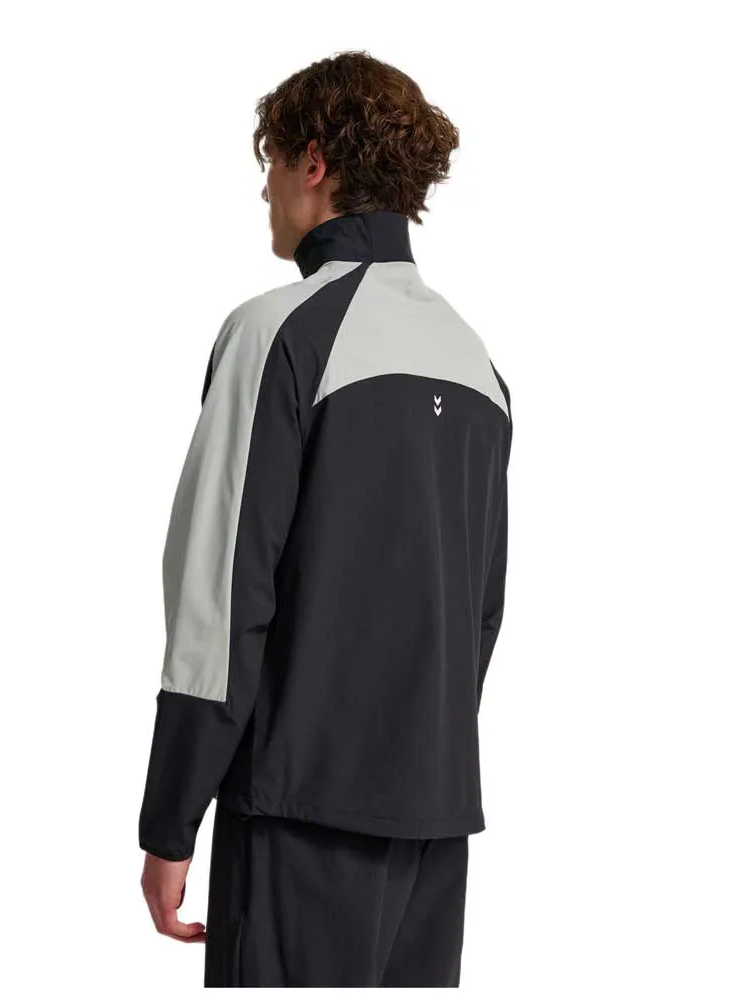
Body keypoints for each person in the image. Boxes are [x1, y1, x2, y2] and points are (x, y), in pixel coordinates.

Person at [138, 50, 513, 987]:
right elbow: (481, 615)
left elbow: (221, 596)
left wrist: (170, 820)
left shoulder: (279, 331)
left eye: (270, 162)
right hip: (433, 826)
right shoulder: (478, 364)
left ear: (314, 161)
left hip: (300, 817)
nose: (264, 189)